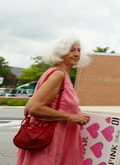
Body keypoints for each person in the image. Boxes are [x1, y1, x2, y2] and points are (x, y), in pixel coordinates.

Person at [16, 36, 91, 165]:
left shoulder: (60, 74)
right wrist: (70, 116)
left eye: (79, 50)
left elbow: (29, 107)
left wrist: (72, 110)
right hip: (51, 138)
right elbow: (34, 109)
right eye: (72, 50)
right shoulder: (58, 74)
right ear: (60, 52)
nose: (77, 54)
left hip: (59, 137)